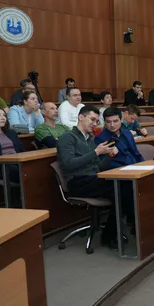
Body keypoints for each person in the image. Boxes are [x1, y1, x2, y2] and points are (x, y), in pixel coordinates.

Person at [57, 105, 127, 249]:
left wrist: (109, 155)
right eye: (92, 119)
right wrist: (96, 152)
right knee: (121, 188)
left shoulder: (90, 139)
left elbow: (98, 167)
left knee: (126, 186)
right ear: (81, 117)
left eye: (97, 121)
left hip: (92, 178)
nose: (95, 124)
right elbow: (68, 164)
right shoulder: (67, 137)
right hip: (77, 181)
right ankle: (109, 235)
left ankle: (113, 232)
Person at [0, 106, 24, 183]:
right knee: (21, 172)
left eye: (4, 115)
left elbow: (21, 150)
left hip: (17, 162)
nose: (3, 118)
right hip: (0, 165)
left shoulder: (11, 133)